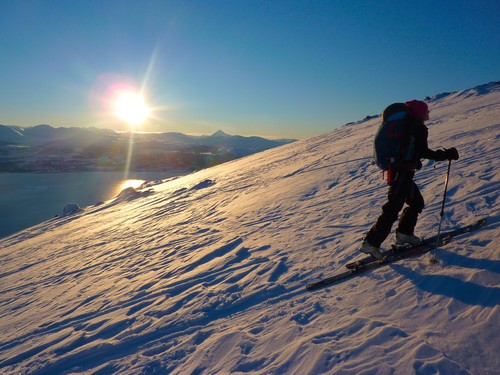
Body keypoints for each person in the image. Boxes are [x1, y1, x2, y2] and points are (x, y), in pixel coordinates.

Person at [360, 100, 459, 259]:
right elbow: (425, 152)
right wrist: (447, 155)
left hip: (400, 171)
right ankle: (371, 243)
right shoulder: (417, 128)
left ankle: (404, 234)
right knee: (393, 208)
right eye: (426, 111)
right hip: (402, 174)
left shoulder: (408, 126)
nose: (428, 113)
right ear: (419, 113)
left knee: (416, 202)